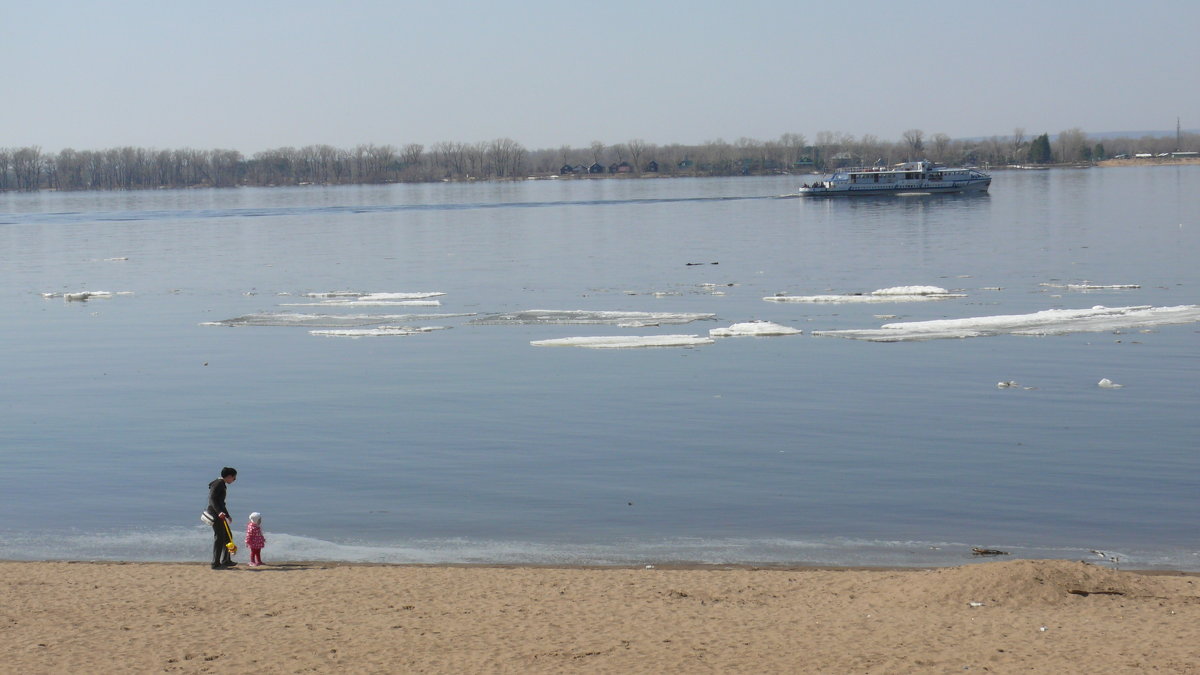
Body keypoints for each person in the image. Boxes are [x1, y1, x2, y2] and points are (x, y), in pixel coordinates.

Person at [206, 467, 238, 569]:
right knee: (219, 538)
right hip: (215, 514)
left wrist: (227, 515)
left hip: (220, 514)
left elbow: (221, 503)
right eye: (234, 478)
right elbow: (212, 499)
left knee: (228, 536)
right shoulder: (218, 484)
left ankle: (226, 560)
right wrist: (219, 512)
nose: (234, 480)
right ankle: (215, 563)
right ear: (229, 476)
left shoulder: (221, 484)